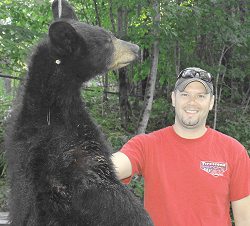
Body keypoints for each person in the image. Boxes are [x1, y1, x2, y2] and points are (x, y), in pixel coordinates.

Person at [111, 67, 250, 226]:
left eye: (200, 96)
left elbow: (245, 220)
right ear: (173, 98)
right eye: (185, 94)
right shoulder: (147, 145)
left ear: (211, 102)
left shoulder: (234, 151)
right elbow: (109, 167)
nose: (192, 102)